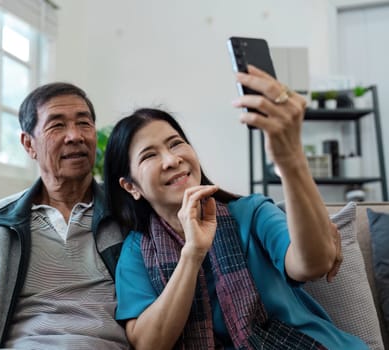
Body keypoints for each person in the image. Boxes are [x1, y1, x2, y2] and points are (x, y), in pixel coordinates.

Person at [103, 66, 368, 349]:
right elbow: (149, 343)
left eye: (176, 144)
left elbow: (312, 264)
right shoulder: (135, 251)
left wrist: (290, 162)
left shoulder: (251, 212)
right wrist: (192, 253)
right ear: (131, 187)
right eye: (150, 155)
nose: (171, 160)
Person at [0, 82, 130, 350]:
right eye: (57, 125)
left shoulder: (129, 217)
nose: (75, 136)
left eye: (84, 123)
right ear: (29, 144)